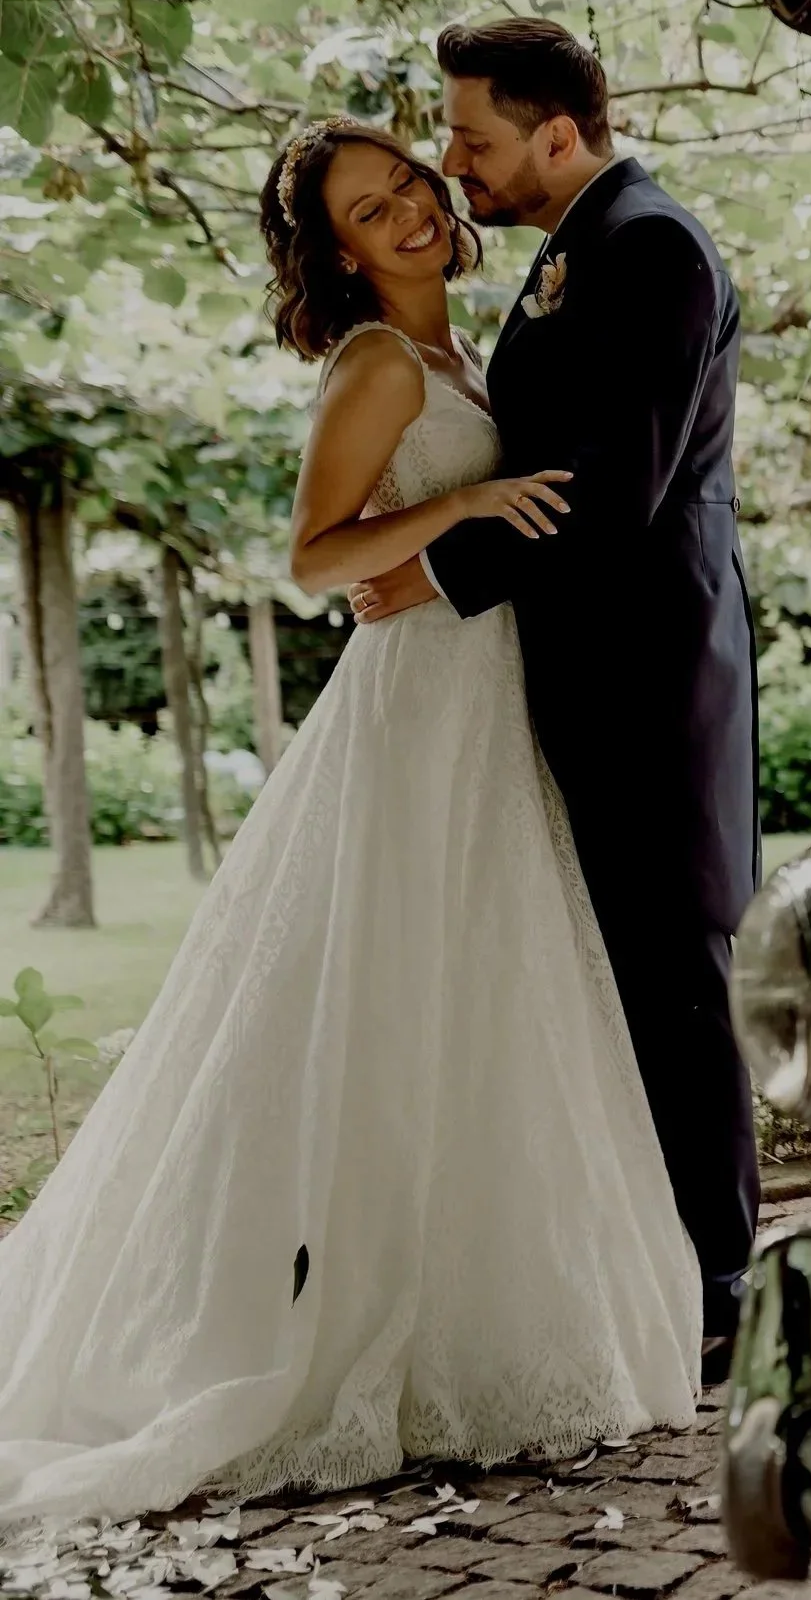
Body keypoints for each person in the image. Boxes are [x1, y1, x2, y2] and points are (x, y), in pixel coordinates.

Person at [0, 115, 699, 1521]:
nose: (409, 217)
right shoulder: (377, 362)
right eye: (371, 215)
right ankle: (318, 1324)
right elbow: (316, 557)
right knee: (379, 997)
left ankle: (469, 1309)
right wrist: (469, 506)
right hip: (412, 708)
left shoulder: (465, 348)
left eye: (410, 190)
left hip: (482, 700)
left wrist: (474, 513)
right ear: (338, 252)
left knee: (478, 997)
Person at [349, 19, 761, 1368]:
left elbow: (612, 482)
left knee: (675, 976)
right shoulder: (573, 248)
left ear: (559, 136)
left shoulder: (650, 247)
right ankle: (642, 1262)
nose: (450, 164)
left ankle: (712, 1294)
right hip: (573, 667)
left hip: (650, 675)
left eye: (470, 138)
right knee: (607, 977)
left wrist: (430, 574)